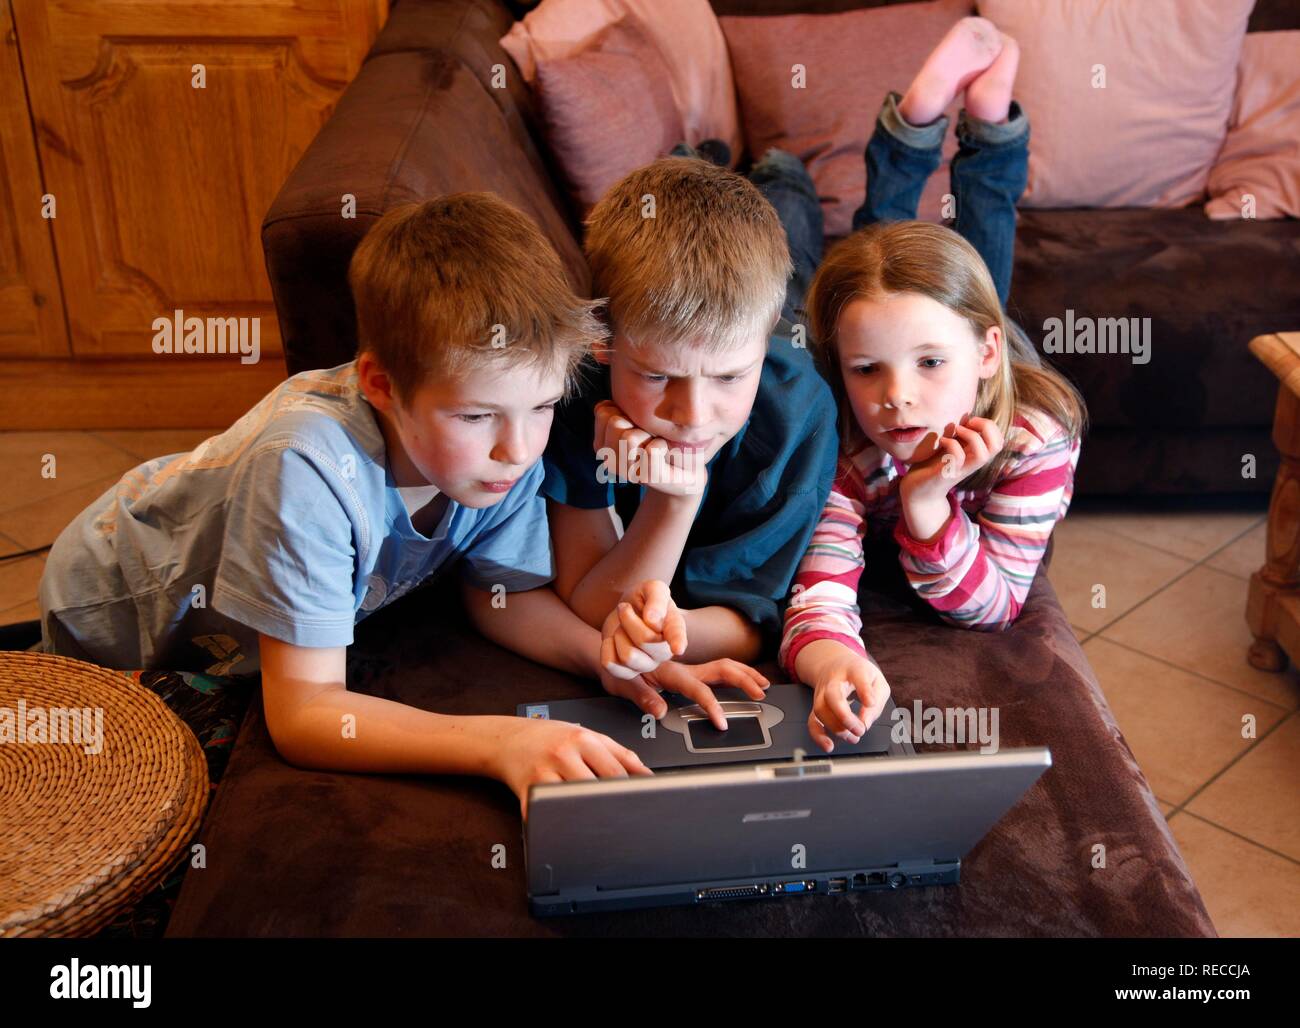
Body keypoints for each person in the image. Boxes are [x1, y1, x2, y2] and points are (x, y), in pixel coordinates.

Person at [38, 193, 660, 817]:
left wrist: (607, 661)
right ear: (381, 385)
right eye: (475, 415)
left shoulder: (501, 452)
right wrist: (503, 742)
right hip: (118, 618)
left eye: (545, 406)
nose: (519, 450)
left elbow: (500, 595)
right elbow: (306, 711)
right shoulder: (304, 466)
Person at [777, 18, 1088, 752]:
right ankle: (983, 122)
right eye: (865, 372)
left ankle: (927, 125)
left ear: (981, 357)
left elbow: (994, 605)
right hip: (956, 343)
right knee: (884, 274)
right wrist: (831, 658)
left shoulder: (1035, 438)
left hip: (999, 368)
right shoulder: (847, 443)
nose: (897, 398)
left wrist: (924, 504)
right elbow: (818, 585)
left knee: (927, 272)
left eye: (927, 367)